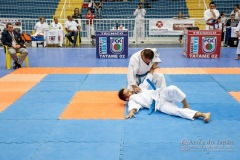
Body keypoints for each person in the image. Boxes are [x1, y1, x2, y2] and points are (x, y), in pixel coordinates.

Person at [118, 68, 211, 123]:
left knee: (172, 88)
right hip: (159, 105)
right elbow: (133, 107)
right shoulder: (132, 100)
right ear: (126, 97)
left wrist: (152, 69)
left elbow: (148, 79)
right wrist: (131, 112)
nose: (130, 91)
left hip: (161, 94)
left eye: (128, 90)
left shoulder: (140, 88)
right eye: (128, 92)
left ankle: (185, 104)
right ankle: (204, 114)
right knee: (176, 111)